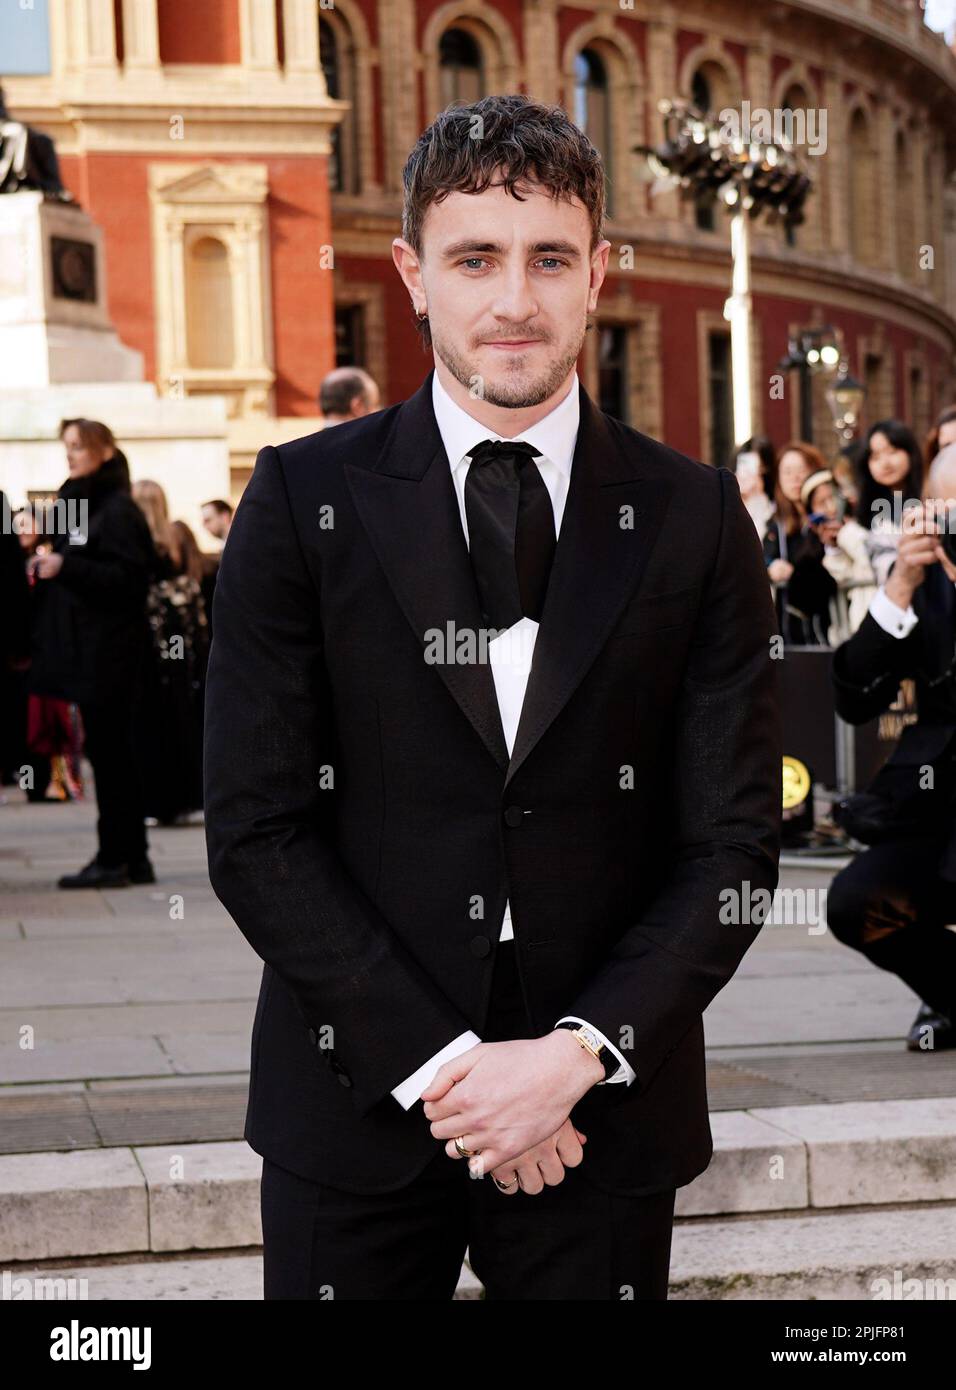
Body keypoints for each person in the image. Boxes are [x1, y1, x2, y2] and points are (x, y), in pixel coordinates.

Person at [203, 93, 782, 1302]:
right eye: (474, 258)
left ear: (596, 274)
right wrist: (451, 1072)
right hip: (354, 1086)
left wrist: (572, 1059)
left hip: (604, 1104)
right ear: (413, 273)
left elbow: (731, 844)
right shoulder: (300, 498)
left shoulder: (693, 516)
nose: (513, 301)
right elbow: (255, 827)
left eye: (548, 259)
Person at [828, 440, 956, 1053]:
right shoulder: (924, 580)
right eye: (948, 512)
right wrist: (900, 584)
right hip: (934, 803)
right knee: (856, 903)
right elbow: (855, 696)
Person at [28, 419, 156, 887]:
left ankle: (115, 856)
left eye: (79, 447)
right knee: (110, 754)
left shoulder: (117, 510)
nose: (71, 455)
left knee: (112, 755)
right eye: (67, 448)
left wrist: (67, 566)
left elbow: (130, 580)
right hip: (88, 652)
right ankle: (132, 857)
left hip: (112, 655)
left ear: (103, 451)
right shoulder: (78, 506)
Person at [131, 480, 210, 825]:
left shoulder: (140, 541)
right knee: (182, 716)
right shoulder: (176, 537)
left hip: (150, 639)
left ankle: (159, 800)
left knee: (153, 720)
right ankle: (187, 797)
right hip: (179, 641)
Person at [763, 441, 838, 645]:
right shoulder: (776, 525)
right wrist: (771, 568)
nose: (795, 478)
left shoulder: (830, 519)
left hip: (828, 629)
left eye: (801, 470)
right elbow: (761, 558)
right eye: (787, 472)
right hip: (787, 634)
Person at [802, 469, 876, 641]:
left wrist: (846, 532)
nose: (831, 507)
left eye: (833, 497)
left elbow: (873, 559)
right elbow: (842, 577)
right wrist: (833, 547)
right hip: (854, 628)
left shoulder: (865, 520)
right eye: (821, 502)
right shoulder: (812, 549)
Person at [854, 419, 924, 587]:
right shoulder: (868, 509)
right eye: (875, 457)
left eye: (892, 451)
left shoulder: (929, 498)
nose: (885, 463)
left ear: (910, 452)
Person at [730, 436, 776, 542]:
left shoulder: (772, 509)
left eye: (751, 467)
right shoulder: (727, 503)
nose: (743, 474)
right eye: (742, 464)